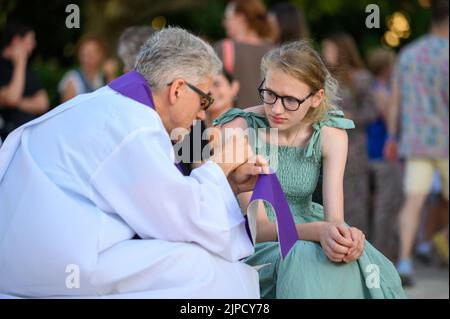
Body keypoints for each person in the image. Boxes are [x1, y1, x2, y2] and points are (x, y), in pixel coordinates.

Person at [0, 27, 268, 298]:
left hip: (28, 242)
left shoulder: (116, 104)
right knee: (203, 268)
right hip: (52, 258)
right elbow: (184, 220)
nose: (203, 113)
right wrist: (221, 165)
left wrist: (227, 183)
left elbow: (166, 200)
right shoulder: (134, 126)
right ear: (177, 90)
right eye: (203, 99)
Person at [213, 41, 406, 298]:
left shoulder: (330, 133)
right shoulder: (240, 130)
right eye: (269, 93)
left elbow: (334, 217)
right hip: (253, 239)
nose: (276, 108)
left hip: (312, 223)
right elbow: (259, 228)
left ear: (316, 98)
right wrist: (319, 231)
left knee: (361, 264)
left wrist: (344, 235)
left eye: (291, 100)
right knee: (302, 256)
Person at [384, 0, 449, 286]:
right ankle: (432, 243)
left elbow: (395, 101)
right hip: (446, 139)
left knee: (413, 202)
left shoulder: (408, 54)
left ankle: (406, 260)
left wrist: (391, 135)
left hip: (416, 139)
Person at [321, 33, 377, 235]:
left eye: (330, 49)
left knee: (355, 197)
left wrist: (348, 116)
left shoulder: (360, 78)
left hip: (354, 147)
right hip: (324, 143)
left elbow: (372, 111)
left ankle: (356, 240)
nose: (326, 53)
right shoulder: (322, 77)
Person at [365, 47, 403, 261]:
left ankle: (384, 250)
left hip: (378, 153)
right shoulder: (379, 90)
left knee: (384, 203)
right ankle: (381, 253)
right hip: (382, 154)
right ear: (386, 68)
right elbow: (391, 118)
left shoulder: (376, 87)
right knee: (386, 205)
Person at [214, 0, 274, 107]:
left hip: (234, 121)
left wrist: (197, 124)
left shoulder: (224, 48)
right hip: (266, 121)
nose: (224, 23)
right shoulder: (274, 50)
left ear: (241, 19)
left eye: (228, 17)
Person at [0, 21, 49, 141]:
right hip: (8, 136)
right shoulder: (4, 66)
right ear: (16, 40)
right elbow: (12, 98)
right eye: (30, 40)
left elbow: (42, 103)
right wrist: (20, 63)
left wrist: (16, 103)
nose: (34, 45)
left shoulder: (28, 71)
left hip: (29, 132)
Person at [58, 35, 108, 102]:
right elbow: (68, 109)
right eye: (84, 54)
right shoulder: (72, 78)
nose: (87, 59)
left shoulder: (103, 77)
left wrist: (110, 75)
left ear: (101, 55)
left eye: (91, 54)